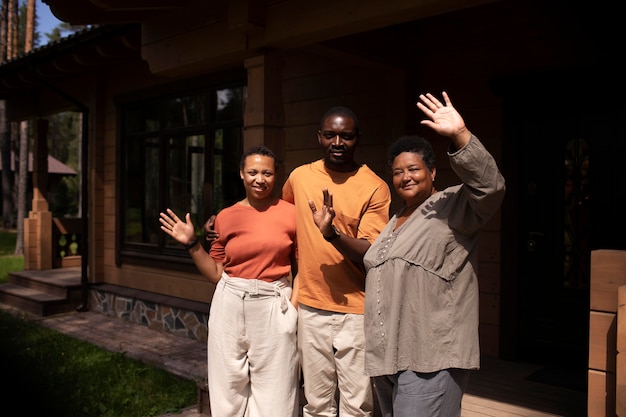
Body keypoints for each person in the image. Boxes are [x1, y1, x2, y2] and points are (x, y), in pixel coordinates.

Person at [361, 91, 506, 417]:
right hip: (387, 357)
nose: (405, 177)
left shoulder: (454, 205)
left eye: (413, 169)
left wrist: (460, 136)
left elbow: (490, 187)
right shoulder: (393, 222)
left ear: (433, 172)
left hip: (431, 354)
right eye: (397, 172)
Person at [159, 145, 300, 417]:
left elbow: (303, 266)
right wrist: (191, 243)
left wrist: (291, 310)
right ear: (241, 174)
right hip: (230, 301)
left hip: (273, 304)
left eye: (267, 173)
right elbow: (215, 272)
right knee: (228, 391)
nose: (260, 179)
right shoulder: (226, 216)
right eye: (253, 172)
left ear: (276, 175)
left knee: (277, 393)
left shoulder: (290, 214)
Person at [282, 106, 391, 417]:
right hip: (311, 304)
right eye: (330, 135)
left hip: (356, 310)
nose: (338, 142)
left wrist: (331, 233)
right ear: (320, 137)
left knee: (357, 405)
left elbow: (369, 250)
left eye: (346, 136)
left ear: (358, 138)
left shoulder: (374, 186)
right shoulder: (300, 177)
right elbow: (281, 217)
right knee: (316, 403)